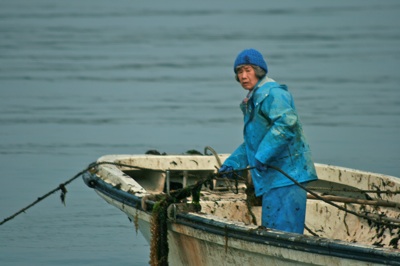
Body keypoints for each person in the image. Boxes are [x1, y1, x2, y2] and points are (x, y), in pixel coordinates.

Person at [219, 48, 318, 234]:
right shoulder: (254, 99)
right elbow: (253, 142)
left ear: (259, 71)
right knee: (273, 232)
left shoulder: (273, 94)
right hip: (273, 178)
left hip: (288, 176)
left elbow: (286, 124)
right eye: (239, 72)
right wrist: (233, 163)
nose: (243, 76)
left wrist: (263, 156)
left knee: (283, 236)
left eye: (248, 70)